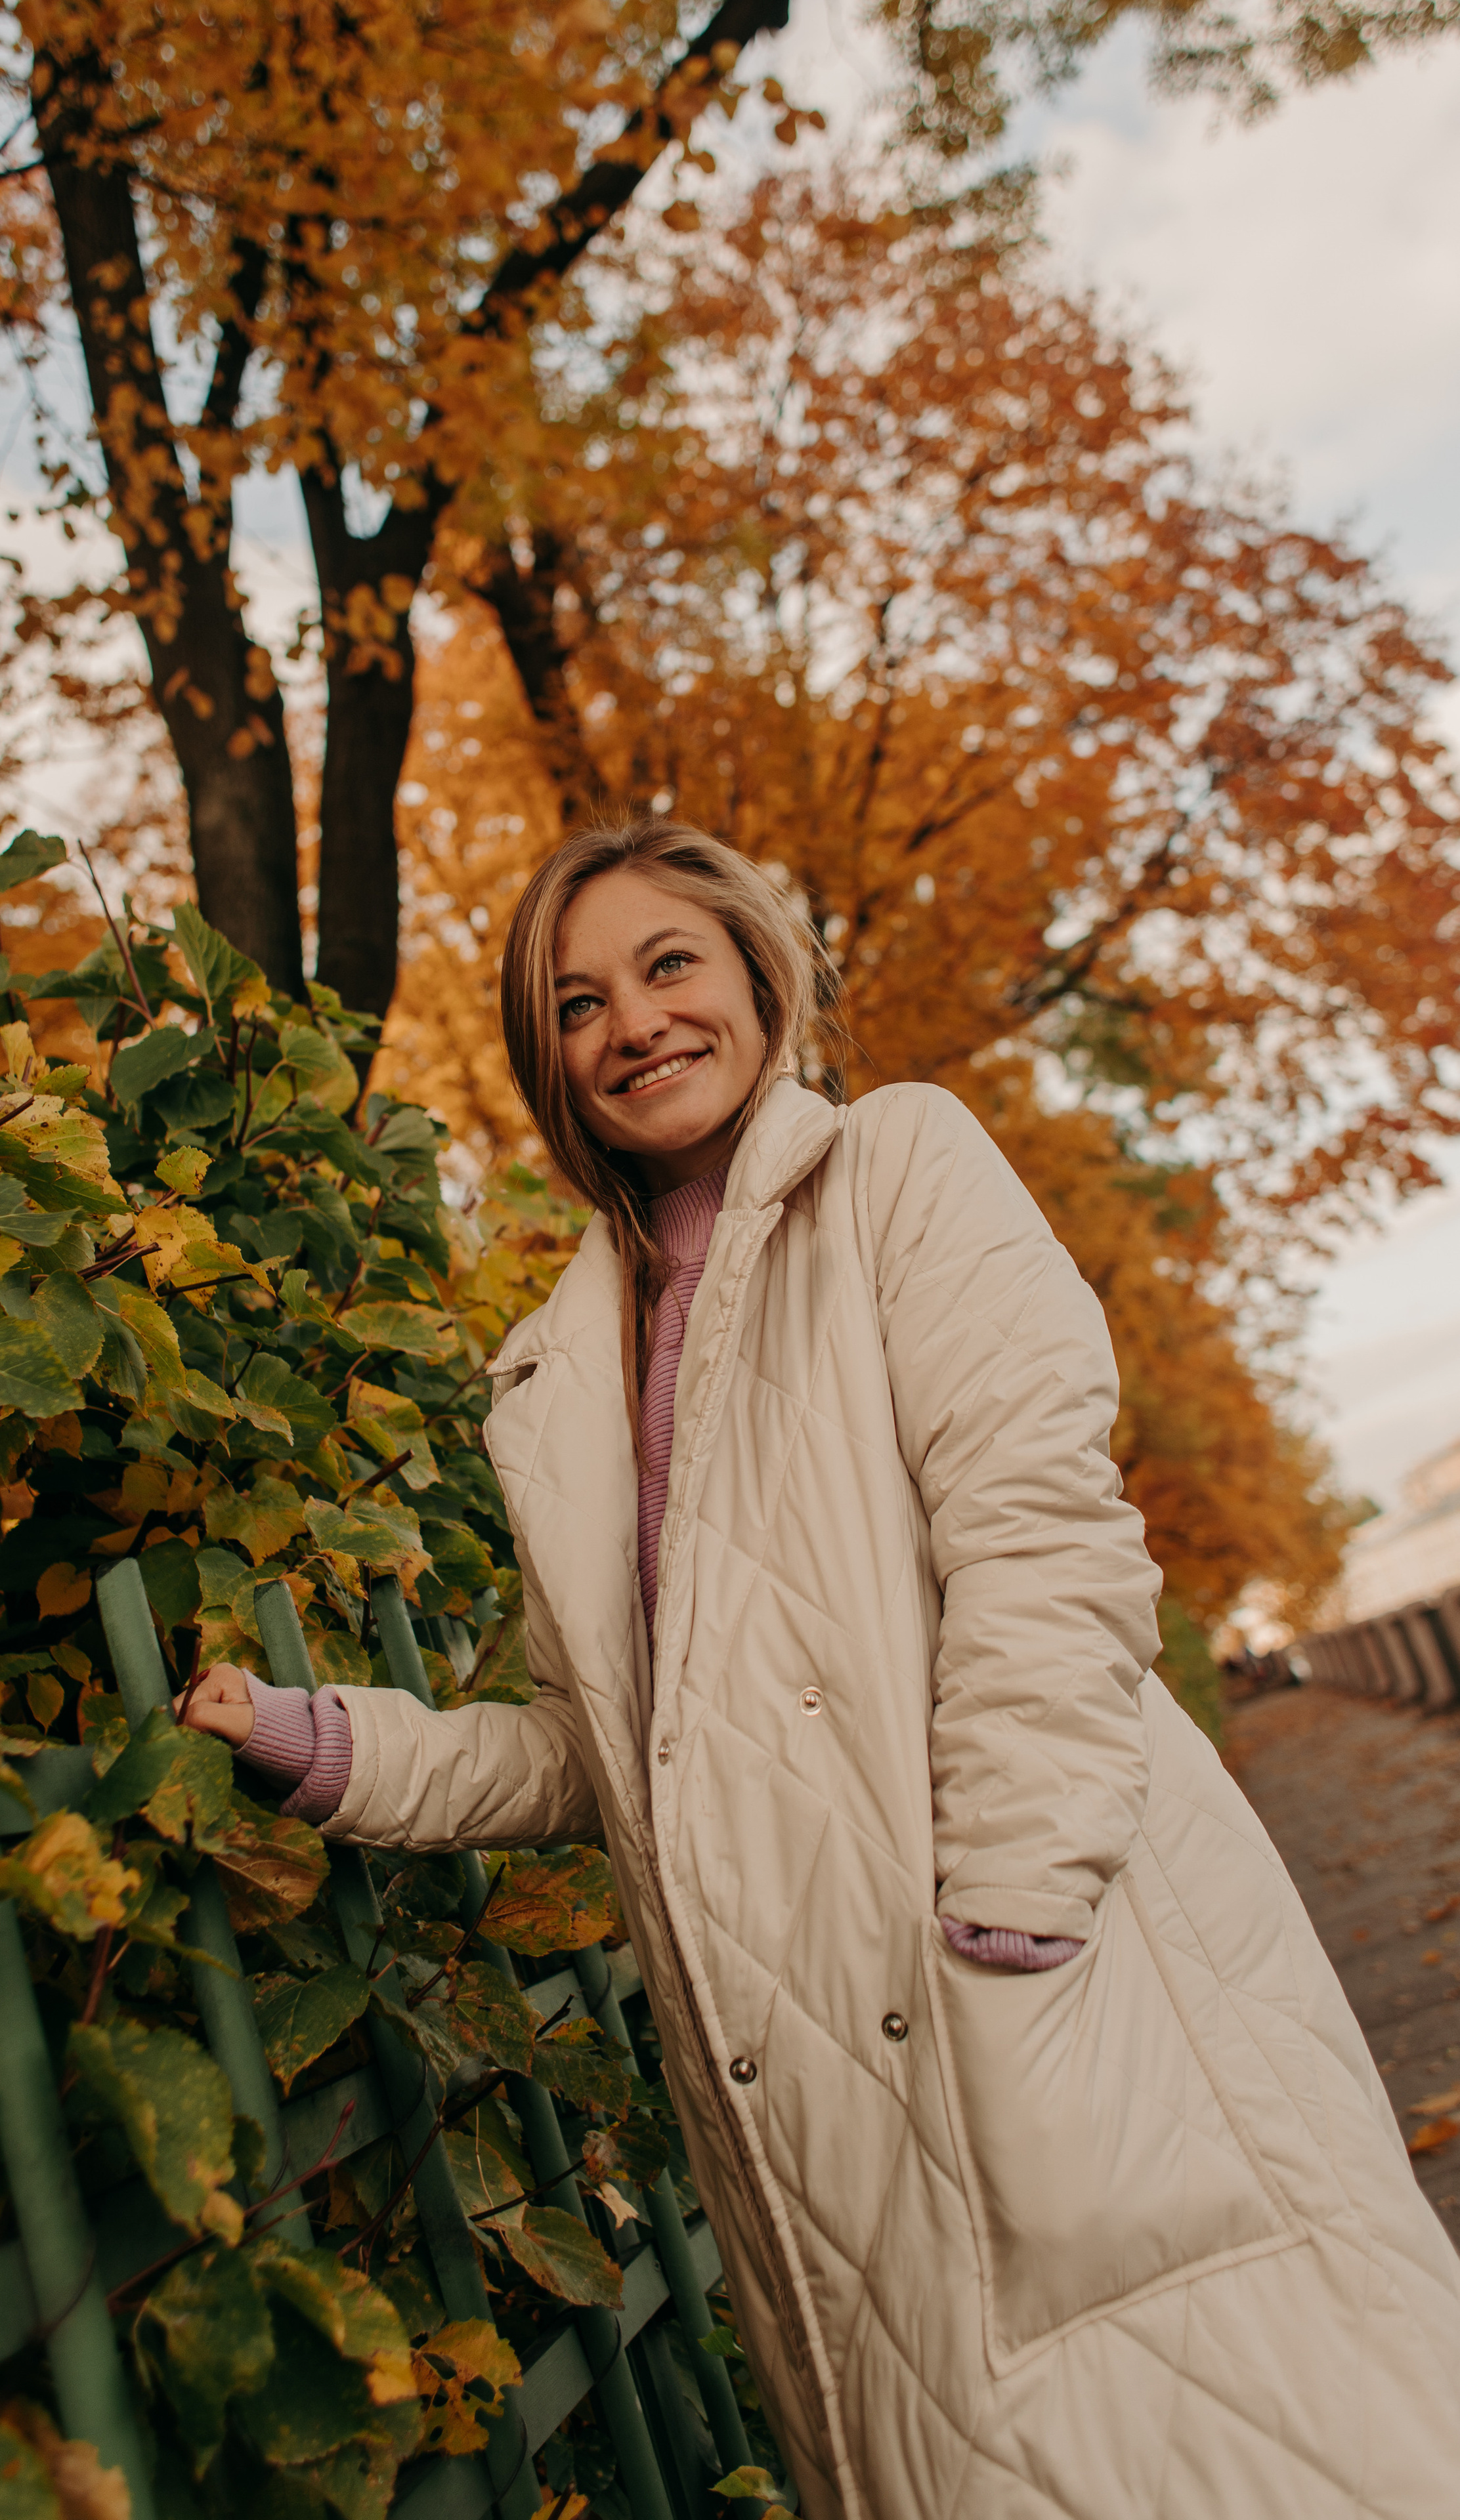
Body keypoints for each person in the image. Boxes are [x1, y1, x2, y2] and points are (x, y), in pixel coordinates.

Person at [181, 818, 1460, 2519]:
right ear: (547, 1064)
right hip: (816, 2107)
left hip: (1035, 1980)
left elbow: (1043, 1540)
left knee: (1262, 2444)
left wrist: (1016, 1914)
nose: (633, 1022)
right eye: (576, 1004)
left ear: (759, 977)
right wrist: (334, 1744)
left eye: (667, 965)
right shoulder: (558, 1375)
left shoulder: (897, 1171)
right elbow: (606, 1745)